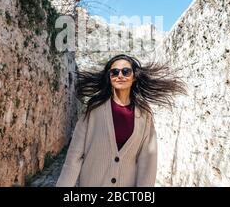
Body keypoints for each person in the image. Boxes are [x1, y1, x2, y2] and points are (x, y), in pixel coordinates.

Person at [56, 54, 187, 187]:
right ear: (109, 77)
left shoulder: (144, 114)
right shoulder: (94, 109)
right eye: (114, 72)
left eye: (126, 71)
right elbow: (74, 157)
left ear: (134, 77)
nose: (120, 75)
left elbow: (147, 161)